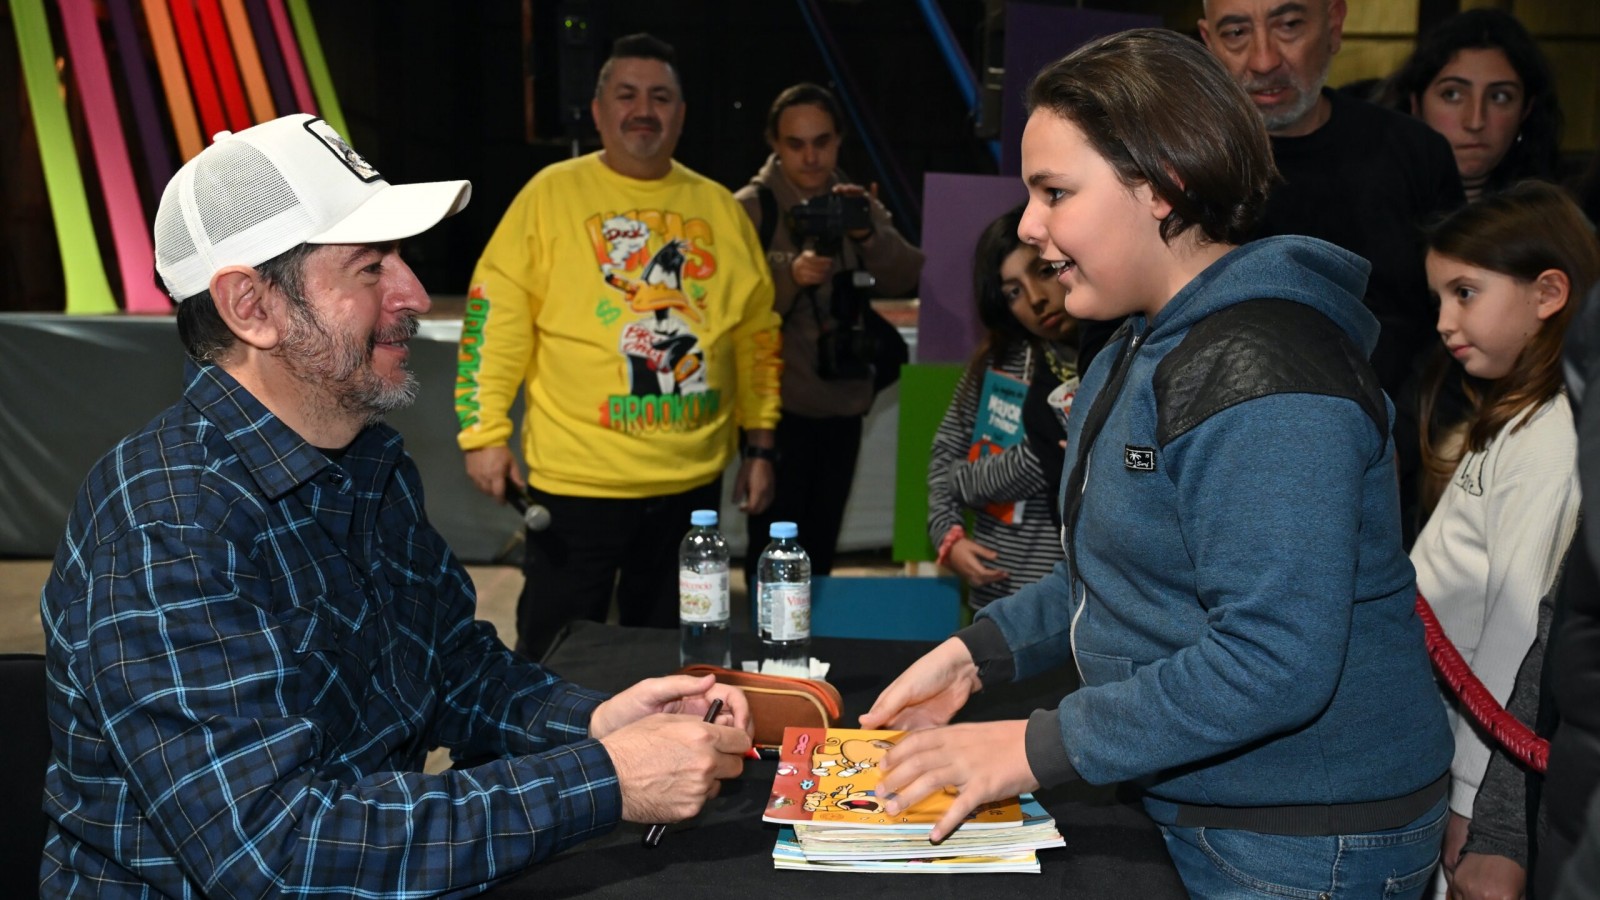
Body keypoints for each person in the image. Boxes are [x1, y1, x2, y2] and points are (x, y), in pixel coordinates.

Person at [39, 113, 754, 896]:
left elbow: (453, 671)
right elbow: (277, 852)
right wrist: (603, 778)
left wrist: (595, 724)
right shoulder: (169, 524)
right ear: (251, 307)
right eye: (371, 267)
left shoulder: (367, 462)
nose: (413, 292)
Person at [862, 29, 1453, 899]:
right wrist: (979, 654)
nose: (1029, 227)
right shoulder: (1139, 346)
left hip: (1301, 840)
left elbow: (1274, 657)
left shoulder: (1267, 375)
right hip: (1209, 805)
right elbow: (1125, 565)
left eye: (1054, 192)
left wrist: (1036, 744)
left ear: (1163, 187)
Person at [456, 34, 783, 658]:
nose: (644, 109)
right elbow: (495, 321)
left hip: (691, 489)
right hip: (577, 486)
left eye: (660, 97)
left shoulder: (718, 207)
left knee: (674, 653)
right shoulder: (549, 195)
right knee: (554, 655)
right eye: (626, 94)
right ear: (599, 110)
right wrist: (484, 433)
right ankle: (548, 756)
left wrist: (760, 444)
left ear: (681, 116)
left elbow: (756, 336)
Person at [1199, 0, 1466, 543]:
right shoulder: (1182, 167)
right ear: (1208, 42)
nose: (1264, 58)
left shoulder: (1414, 154)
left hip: (1402, 478)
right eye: (1235, 32)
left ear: (1335, 23)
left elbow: (1461, 322)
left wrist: (1403, 439)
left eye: (1289, 25)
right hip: (1218, 482)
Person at [1410, 182, 1597, 899]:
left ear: (1548, 293)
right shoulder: (1519, 418)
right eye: (1437, 299)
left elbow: (1519, 638)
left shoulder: (1554, 437)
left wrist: (1479, 812)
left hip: (1481, 767)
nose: (1444, 321)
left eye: (1465, 292)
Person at [732, 83, 923, 584]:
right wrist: (788, 277)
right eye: (796, 144)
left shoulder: (854, 204)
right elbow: (725, 311)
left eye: (822, 141)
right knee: (773, 552)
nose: (811, 156)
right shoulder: (751, 210)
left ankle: (807, 653)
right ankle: (766, 653)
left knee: (818, 553)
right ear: (774, 142)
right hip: (775, 414)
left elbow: (908, 275)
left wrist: (867, 234)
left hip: (842, 401)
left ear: (839, 141)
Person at [927, 205, 1075, 610]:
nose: (1036, 300)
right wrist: (948, 535)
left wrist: (970, 480)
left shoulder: (1116, 355)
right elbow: (945, 457)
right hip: (997, 595)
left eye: (1043, 272)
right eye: (1012, 292)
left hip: (1076, 604)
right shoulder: (998, 361)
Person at [1379, 8, 1562, 203]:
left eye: (1499, 97)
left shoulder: (1558, 224)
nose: (1475, 122)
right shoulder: (1364, 211)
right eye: (1452, 94)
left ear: (1526, 110)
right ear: (1416, 104)